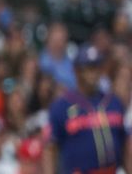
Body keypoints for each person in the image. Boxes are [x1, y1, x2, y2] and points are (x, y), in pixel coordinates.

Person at [45, 44, 132, 174]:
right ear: (77, 71)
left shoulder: (113, 102)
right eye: (89, 68)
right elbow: (50, 149)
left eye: (97, 67)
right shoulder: (61, 106)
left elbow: (125, 144)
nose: (94, 73)